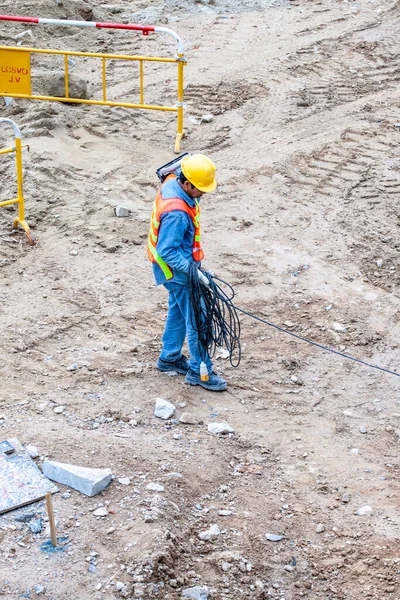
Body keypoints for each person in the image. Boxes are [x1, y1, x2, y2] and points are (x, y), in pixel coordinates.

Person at [148, 153, 227, 391]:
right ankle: (200, 371)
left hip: (172, 271)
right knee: (198, 321)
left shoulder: (172, 181)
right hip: (178, 272)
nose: (203, 194)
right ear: (187, 183)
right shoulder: (177, 213)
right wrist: (195, 273)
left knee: (179, 311)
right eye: (200, 189)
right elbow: (167, 251)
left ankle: (169, 357)